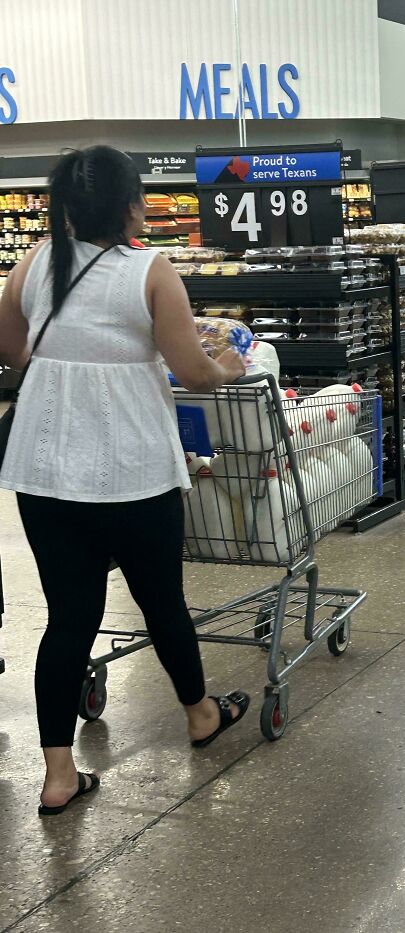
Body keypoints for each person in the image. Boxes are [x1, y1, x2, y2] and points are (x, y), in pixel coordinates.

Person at [0, 146, 250, 817]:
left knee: (68, 616)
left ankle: (58, 776)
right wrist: (226, 364)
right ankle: (200, 715)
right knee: (161, 599)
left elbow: (11, 350)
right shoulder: (151, 270)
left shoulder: (31, 264)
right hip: (133, 469)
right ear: (132, 205)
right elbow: (193, 373)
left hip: (47, 469)